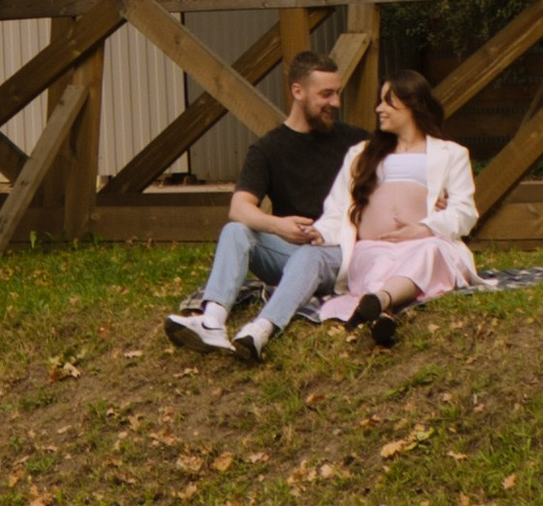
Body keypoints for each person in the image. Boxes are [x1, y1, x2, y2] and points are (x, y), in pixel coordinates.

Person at [163, 49, 360, 365]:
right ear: (298, 91)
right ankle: (212, 321)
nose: (335, 102)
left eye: (337, 93)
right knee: (236, 230)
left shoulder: (355, 141)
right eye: (326, 94)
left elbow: (402, 167)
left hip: (340, 252)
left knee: (310, 256)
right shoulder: (268, 148)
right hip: (290, 253)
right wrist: (278, 226)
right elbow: (239, 207)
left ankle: (262, 328)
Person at [315, 67, 479, 343]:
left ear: (412, 106)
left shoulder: (451, 154)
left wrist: (424, 228)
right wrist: (318, 233)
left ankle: (379, 302)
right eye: (379, 101)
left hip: (423, 243)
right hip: (373, 245)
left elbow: (465, 212)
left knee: (431, 252)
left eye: (388, 102)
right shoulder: (361, 154)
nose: (379, 109)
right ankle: (383, 310)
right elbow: (337, 206)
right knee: (376, 263)